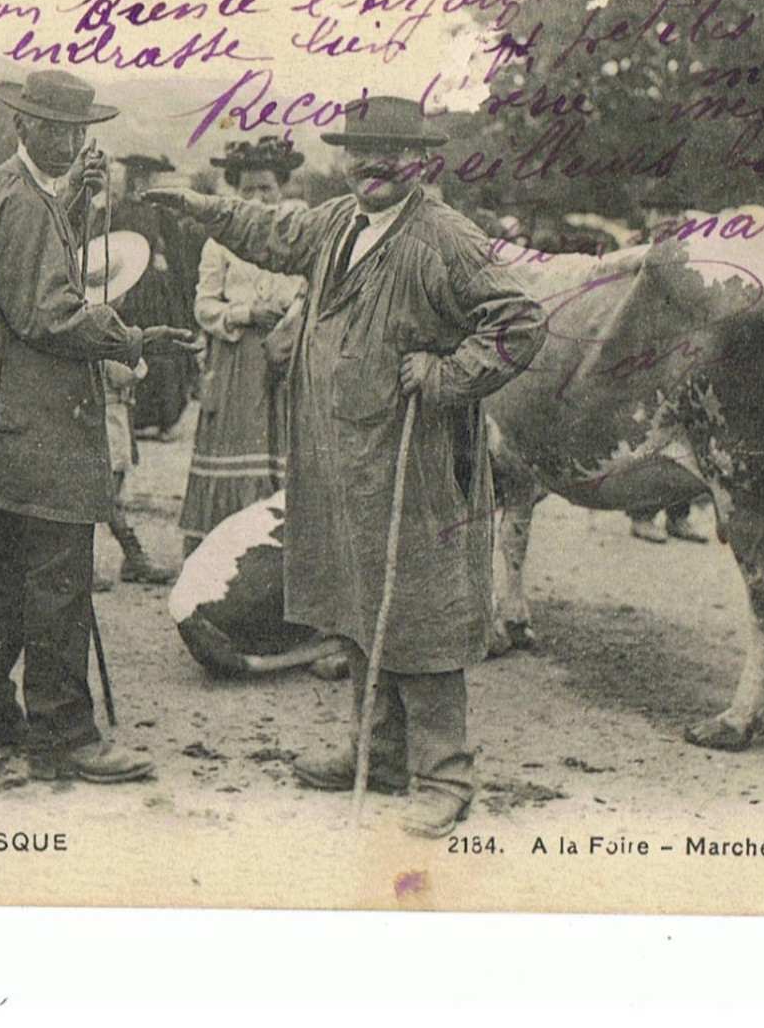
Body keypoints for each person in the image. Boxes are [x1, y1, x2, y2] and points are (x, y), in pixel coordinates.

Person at [148, 97, 546, 837]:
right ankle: (378, 752)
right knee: (359, 601)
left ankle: (444, 775)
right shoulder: (338, 222)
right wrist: (195, 204)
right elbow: (265, 228)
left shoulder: (446, 238)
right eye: (360, 151)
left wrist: (445, 370)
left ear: (421, 161)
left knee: (420, 608)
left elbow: (521, 319)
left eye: (390, 151)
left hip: (416, 458)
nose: (372, 165)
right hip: (342, 454)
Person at [0, 70, 194, 783]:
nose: (70, 141)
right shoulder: (19, 202)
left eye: (78, 131)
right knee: (56, 583)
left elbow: (36, 274)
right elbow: (46, 311)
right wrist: (130, 337)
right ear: (23, 127)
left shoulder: (10, 191)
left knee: (6, 579)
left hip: (12, 427)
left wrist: (75, 197)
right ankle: (64, 732)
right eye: (54, 129)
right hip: (38, 429)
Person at [178, 137, 309, 558]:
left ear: (282, 188)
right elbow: (203, 306)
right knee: (240, 452)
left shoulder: (300, 235)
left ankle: (281, 558)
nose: (256, 198)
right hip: (237, 363)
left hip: (288, 358)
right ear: (235, 191)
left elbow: (313, 291)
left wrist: (292, 315)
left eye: (266, 188)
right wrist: (244, 313)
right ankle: (224, 557)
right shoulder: (219, 242)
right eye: (247, 189)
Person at [83, 238, 174, 587]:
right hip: (110, 418)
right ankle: (132, 558)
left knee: (106, 496)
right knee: (107, 496)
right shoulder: (107, 330)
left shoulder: (95, 323)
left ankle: (125, 559)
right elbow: (122, 372)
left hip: (111, 417)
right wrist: (138, 362)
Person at [105, 154, 204, 437]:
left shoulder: (161, 212)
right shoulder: (118, 210)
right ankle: (135, 417)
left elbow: (179, 252)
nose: (141, 183)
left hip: (156, 290)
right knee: (135, 343)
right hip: (128, 287)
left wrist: (167, 265)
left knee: (161, 345)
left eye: (146, 178)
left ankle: (165, 418)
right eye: (137, 178)